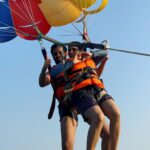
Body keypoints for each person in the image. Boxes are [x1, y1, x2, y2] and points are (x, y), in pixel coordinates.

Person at [67, 43, 120, 150]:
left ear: (80, 49)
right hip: (82, 93)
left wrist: (96, 56)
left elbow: (105, 53)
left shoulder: (90, 59)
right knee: (98, 117)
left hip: (97, 88)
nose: (70, 52)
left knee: (116, 114)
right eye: (69, 50)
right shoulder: (67, 63)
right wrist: (78, 58)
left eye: (73, 49)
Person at [39, 44, 78, 150]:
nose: (58, 55)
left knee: (105, 132)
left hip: (82, 98)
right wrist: (44, 69)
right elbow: (42, 83)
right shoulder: (52, 71)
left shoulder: (73, 61)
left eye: (60, 52)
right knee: (67, 146)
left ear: (66, 52)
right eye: (55, 54)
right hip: (66, 105)